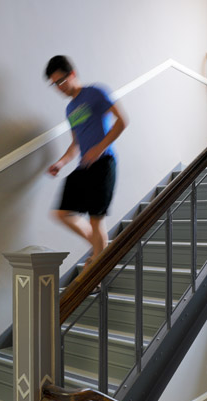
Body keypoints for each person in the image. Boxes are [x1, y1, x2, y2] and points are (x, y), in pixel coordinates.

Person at [45, 55, 127, 264]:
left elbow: (122, 121)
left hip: (104, 163)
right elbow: (75, 144)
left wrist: (99, 148)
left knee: (95, 219)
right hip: (85, 166)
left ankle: (98, 267)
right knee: (61, 213)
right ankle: (102, 251)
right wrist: (60, 163)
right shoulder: (70, 109)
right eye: (54, 84)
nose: (59, 87)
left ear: (72, 74)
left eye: (61, 81)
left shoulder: (95, 92)